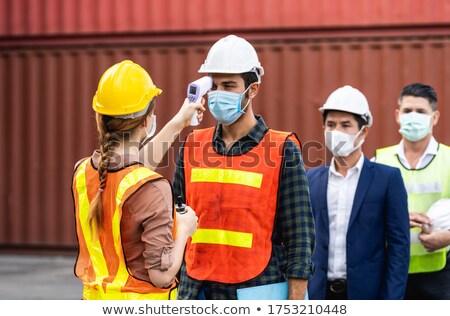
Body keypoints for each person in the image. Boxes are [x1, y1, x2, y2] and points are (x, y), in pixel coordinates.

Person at [173, 35, 315, 300]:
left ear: (253, 90)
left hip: (257, 289)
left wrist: (297, 304)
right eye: (214, 85)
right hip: (196, 289)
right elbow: (176, 220)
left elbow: (300, 237)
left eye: (229, 85)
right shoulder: (192, 144)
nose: (218, 94)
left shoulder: (283, 148)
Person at [72, 60, 204, 299]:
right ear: (147, 121)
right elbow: (162, 276)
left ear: (100, 121)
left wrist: (179, 122)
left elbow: (129, 172)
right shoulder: (152, 187)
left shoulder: (82, 172)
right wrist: (184, 229)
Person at [307, 85, 410, 299]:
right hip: (318, 294)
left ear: (363, 131)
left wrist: (390, 302)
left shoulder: (387, 179)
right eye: (331, 125)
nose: (337, 132)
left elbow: (399, 247)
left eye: (346, 125)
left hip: (367, 295)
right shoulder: (310, 179)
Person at [374, 83, 450, 299]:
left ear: (434, 117)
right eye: (408, 111)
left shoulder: (449, 159)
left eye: (421, 111)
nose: (413, 116)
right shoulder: (380, 160)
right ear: (397, 115)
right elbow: (363, 216)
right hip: (390, 271)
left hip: (440, 273)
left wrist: (447, 237)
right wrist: (397, 219)